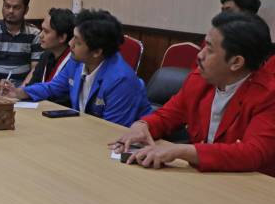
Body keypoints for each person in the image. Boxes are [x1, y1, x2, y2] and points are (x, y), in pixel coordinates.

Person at [110, 12, 275, 175]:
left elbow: (252, 153)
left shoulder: (268, 94)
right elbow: (167, 116)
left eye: (209, 49)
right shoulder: (199, 79)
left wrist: (182, 151)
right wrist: (142, 125)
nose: (200, 55)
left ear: (236, 62)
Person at [0, 9, 151, 127]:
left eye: (77, 41)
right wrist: (19, 92)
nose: (70, 44)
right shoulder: (77, 61)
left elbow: (112, 130)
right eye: (72, 37)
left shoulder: (121, 80)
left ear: (97, 52)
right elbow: (52, 87)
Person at [30, 7, 76, 106]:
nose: (40, 35)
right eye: (41, 29)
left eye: (46, 31)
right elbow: (32, 85)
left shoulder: (74, 61)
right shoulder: (45, 56)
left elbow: (66, 100)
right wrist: (15, 91)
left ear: (62, 37)